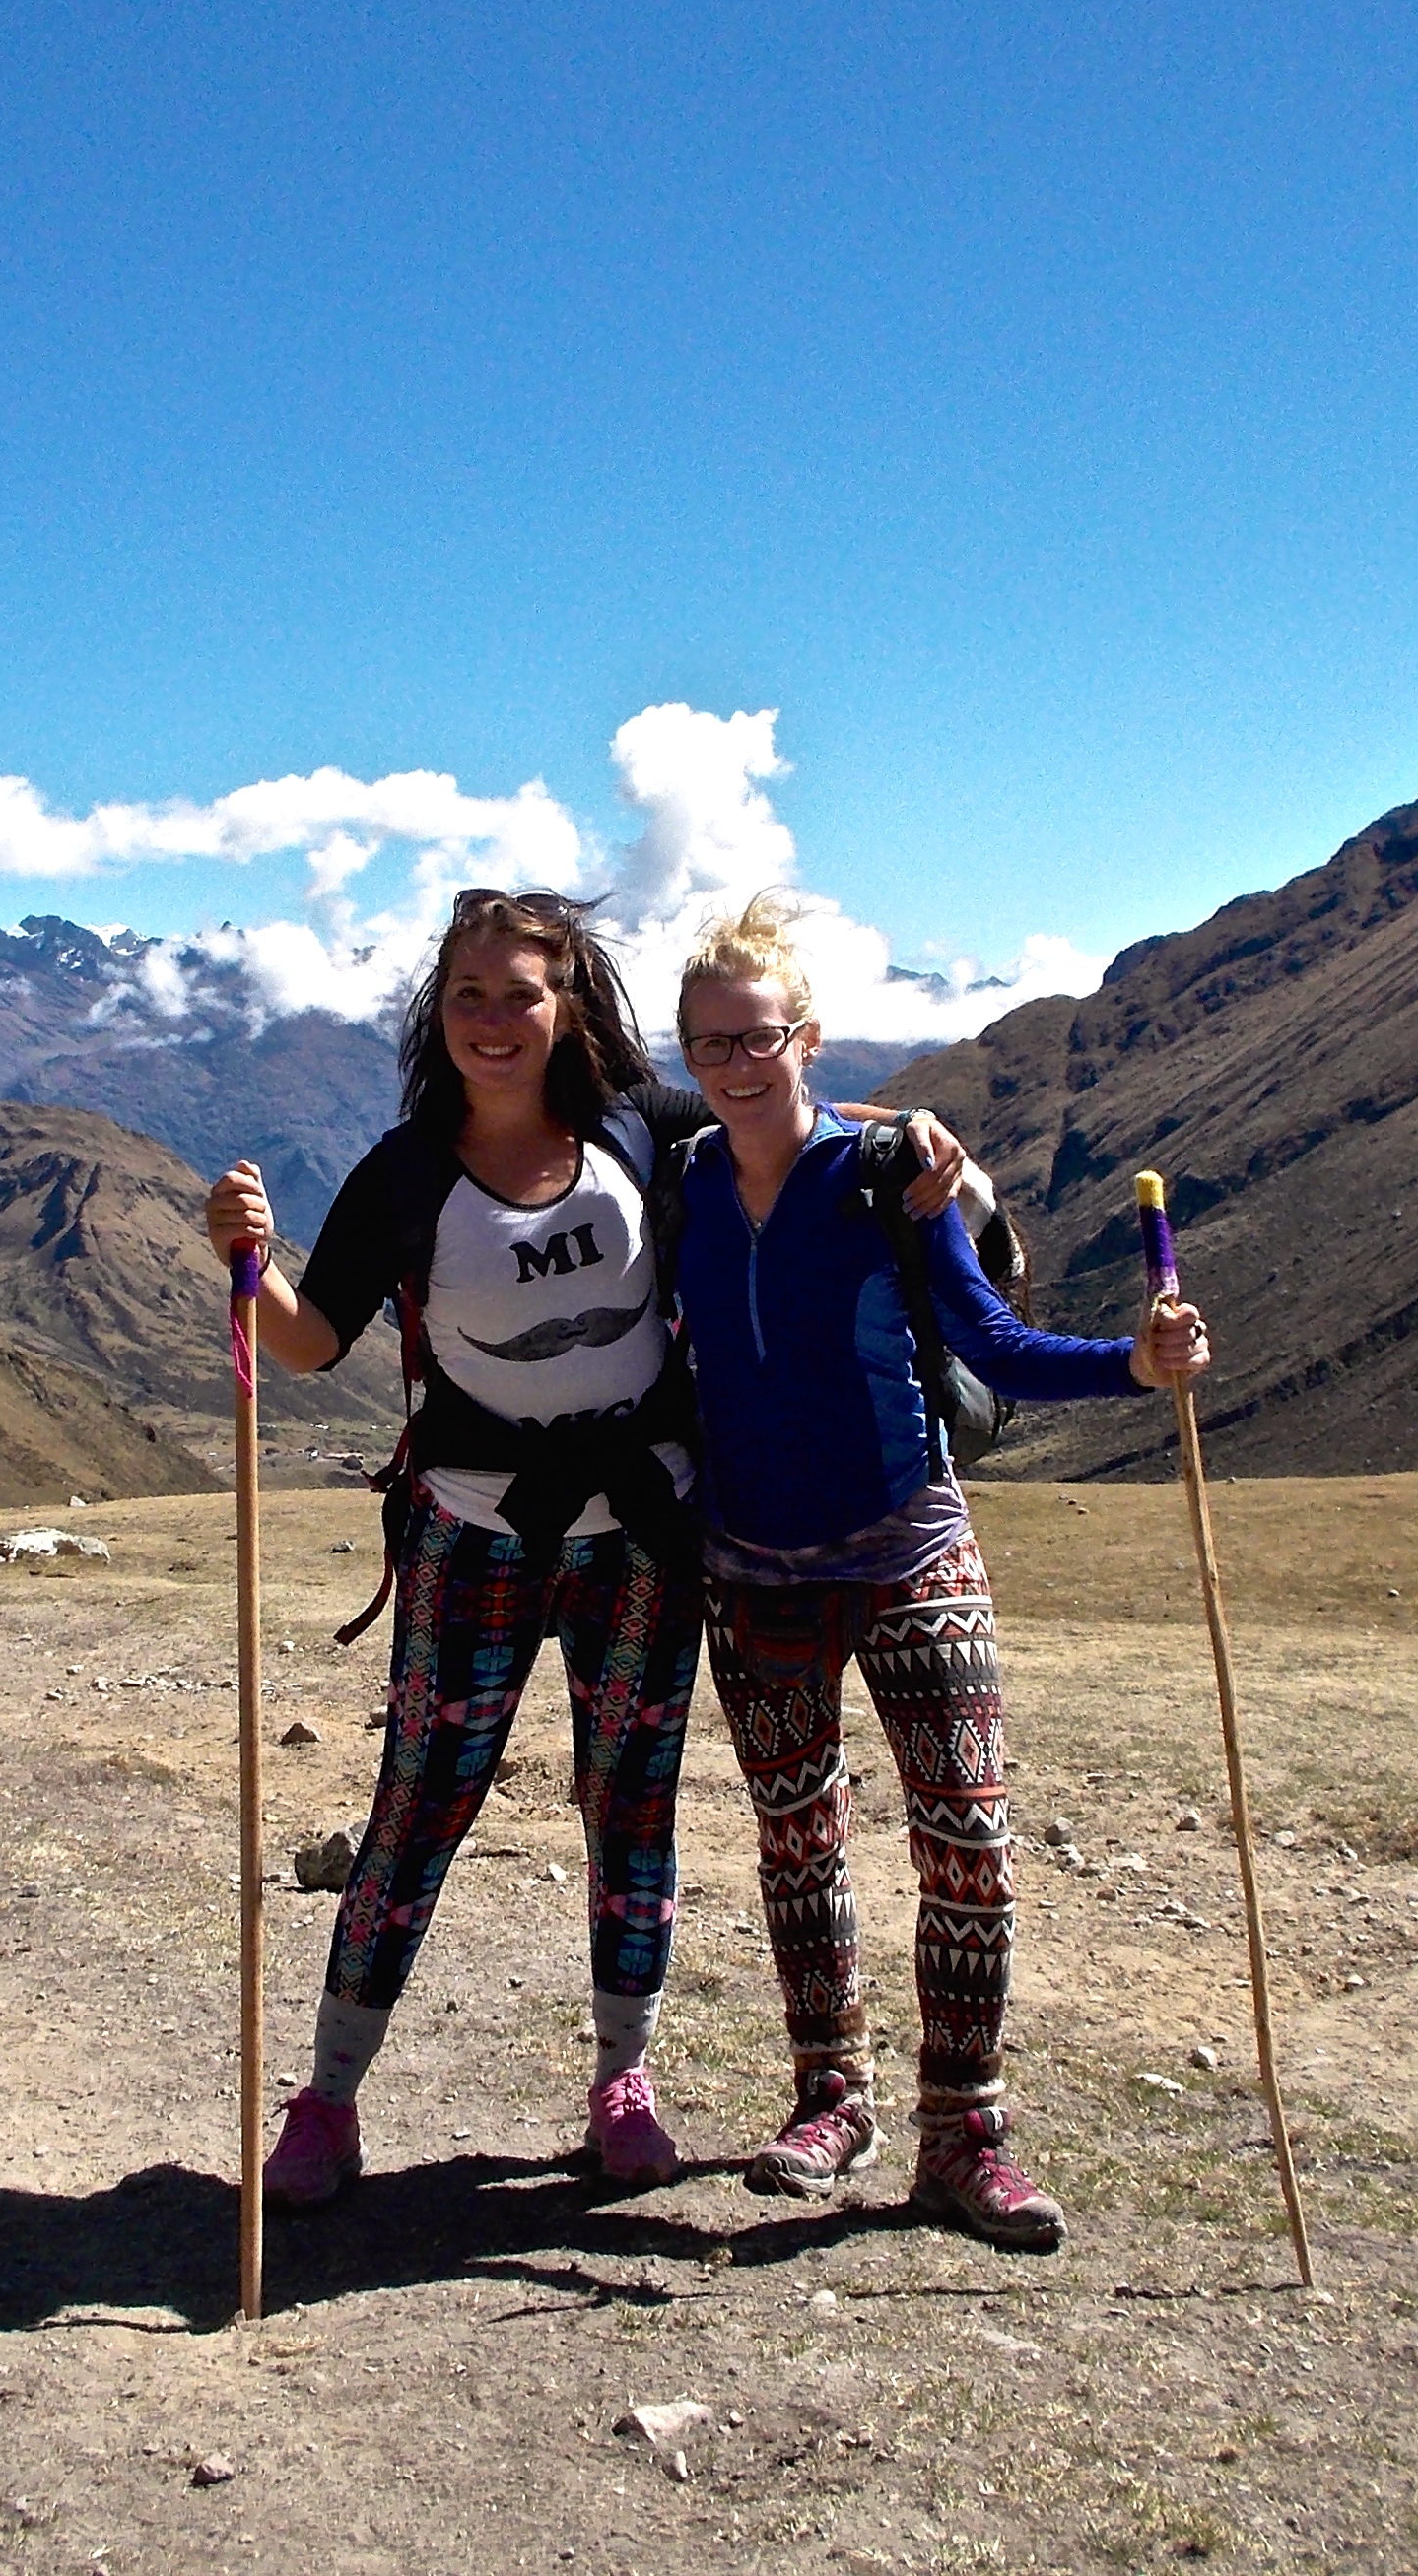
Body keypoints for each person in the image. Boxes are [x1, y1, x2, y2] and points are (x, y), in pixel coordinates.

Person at [204, 888, 971, 2210]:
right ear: (438, 1013)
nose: (495, 1020)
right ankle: (327, 2099)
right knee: (419, 1807)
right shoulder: (404, 1172)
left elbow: (773, 1119)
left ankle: (625, 2084)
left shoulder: (638, 1125)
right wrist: (248, 1262)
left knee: (632, 1811)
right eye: (470, 996)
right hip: (472, 1530)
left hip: (640, 1534)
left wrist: (902, 1137)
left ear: (568, 1008)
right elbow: (313, 1341)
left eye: (523, 994)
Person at [668, 892, 1212, 2251]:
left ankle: (964, 2140)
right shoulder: (680, 1180)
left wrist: (1134, 1366)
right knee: (798, 1844)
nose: (737, 1063)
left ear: (808, 1038)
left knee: (967, 1840)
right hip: (753, 1568)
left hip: (912, 1545)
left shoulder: (886, 1181)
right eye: (711, 1043)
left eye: (760, 1036)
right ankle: (830, 2101)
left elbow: (991, 1337)